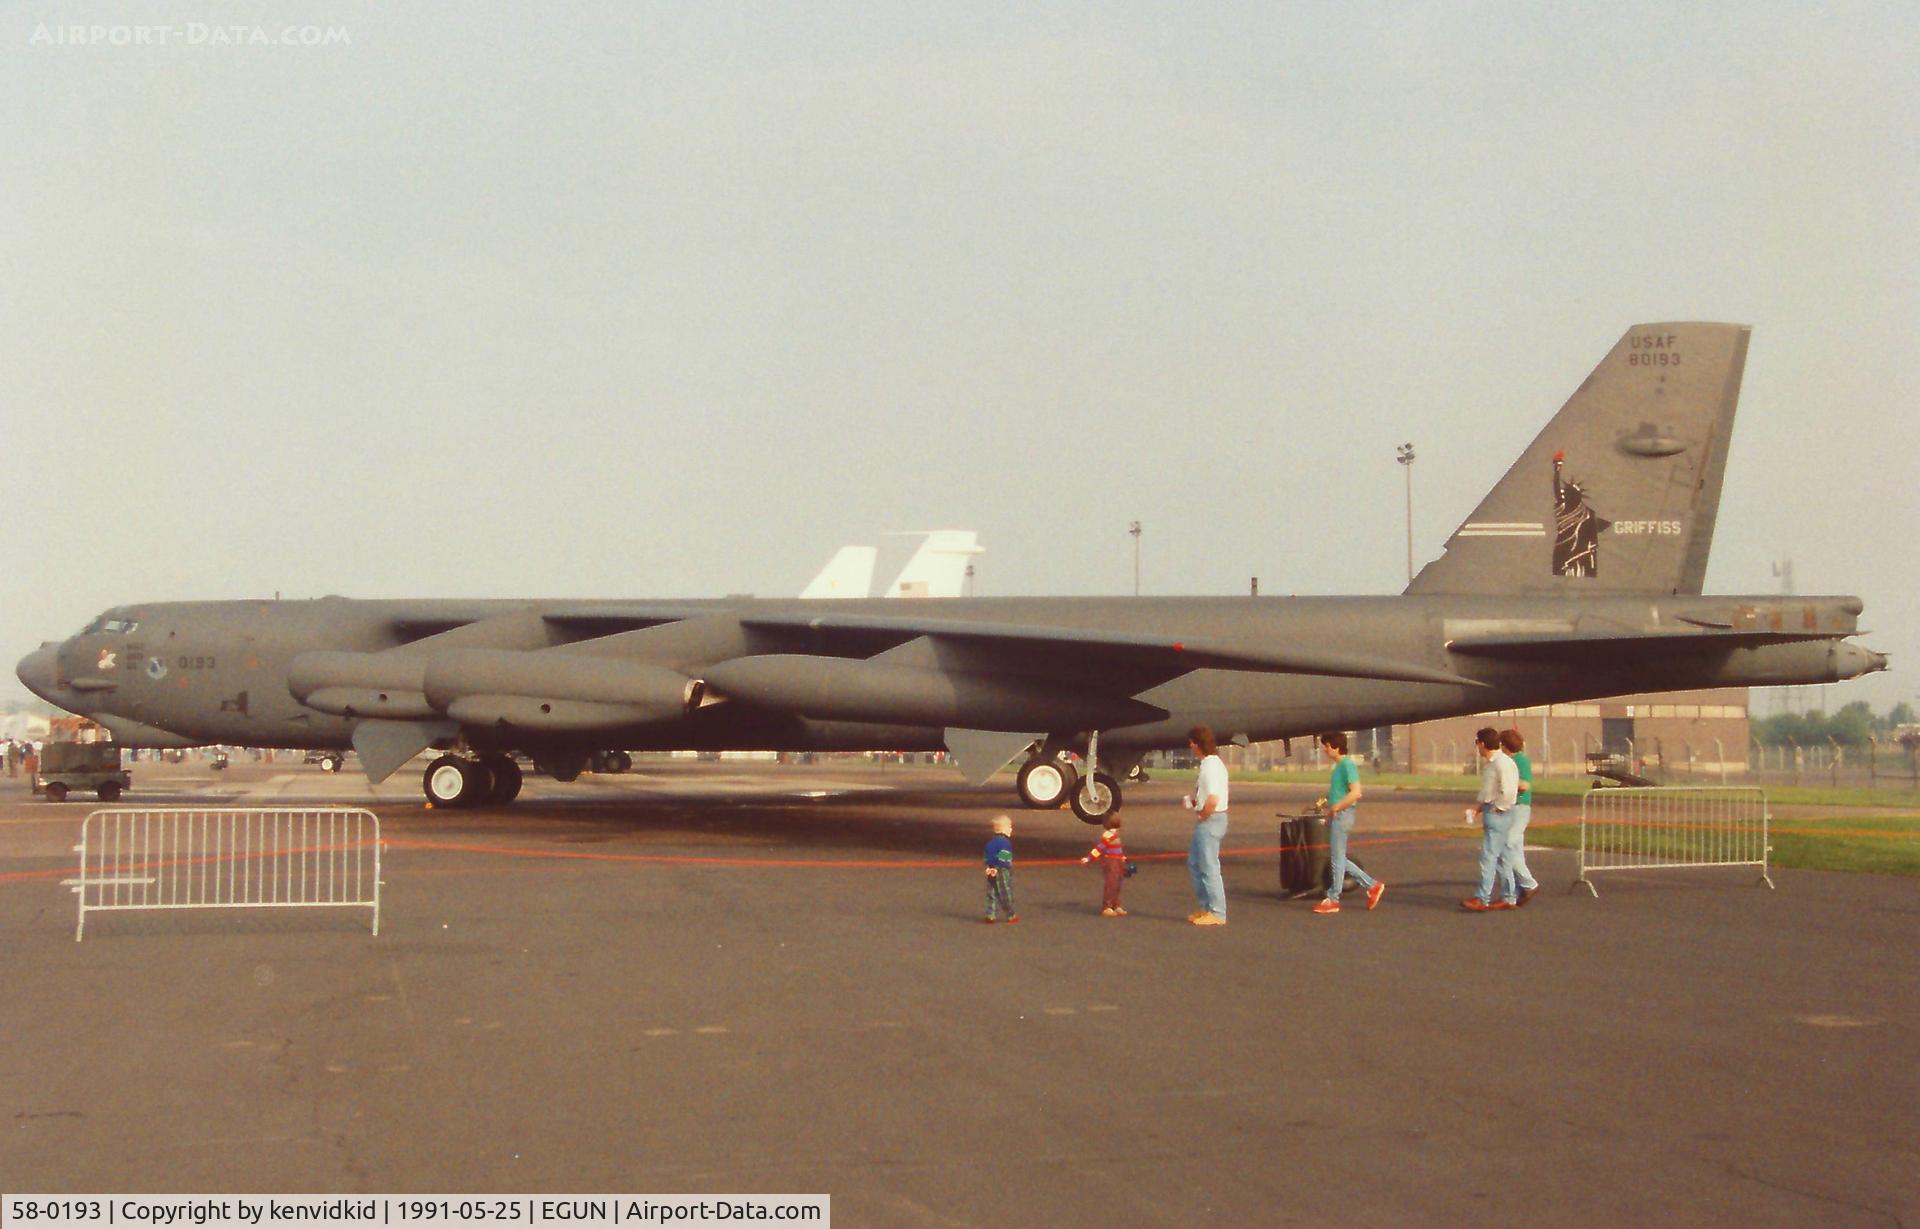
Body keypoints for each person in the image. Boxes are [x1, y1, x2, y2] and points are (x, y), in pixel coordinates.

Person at [1313, 732, 1385, 915]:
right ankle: (1373, 885)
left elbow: (1356, 793)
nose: (1325, 749)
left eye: (1327, 745)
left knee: (1337, 859)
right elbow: (1339, 791)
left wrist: (1336, 807)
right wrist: (1326, 803)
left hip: (1343, 815)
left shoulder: (1347, 765)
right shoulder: (1339, 767)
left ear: (1336, 747)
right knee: (1339, 858)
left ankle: (1333, 898)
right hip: (1337, 814)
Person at [1462, 727, 1519, 911]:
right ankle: (1509, 897)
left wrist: (1498, 809)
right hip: (1491, 810)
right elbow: (1489, 792)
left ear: (1483, 743)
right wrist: (1478, 810)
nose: (1477, 747)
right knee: (1503, 857)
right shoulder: (1492, 764)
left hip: (1498, 814)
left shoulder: (1502, 763)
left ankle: (1482, 898)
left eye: (1477, 743)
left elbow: (1509, 791)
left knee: (1488, 857)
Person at [1184, 725, 1229, 926]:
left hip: (1211, 820)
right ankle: (1205, 907)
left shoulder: (1210, 767)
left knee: (1209, 866)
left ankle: (1218, 912)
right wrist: (1196, 804)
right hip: (1211, 817)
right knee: (1195, 863)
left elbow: (1213, 798)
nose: (1190, 746)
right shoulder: (1211, 764)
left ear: (1197, 744)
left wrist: (1202, 814)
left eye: (1192, 742)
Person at [1500, 728, 1540, 906]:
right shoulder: (1509, 761)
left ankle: (1529, 883)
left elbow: (1524, 785)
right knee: (1515, 849)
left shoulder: (1519, 761)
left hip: (1519, 808)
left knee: (1507, 845)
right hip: (1511, 807)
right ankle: (1515, 891)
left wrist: (1503, 786)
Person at [1080, 818, 1128, 917]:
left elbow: (1118, 849)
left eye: (1116, 828)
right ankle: (1107, 906)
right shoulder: (1107, 837)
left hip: (1118, 860)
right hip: (1110, 861)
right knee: (1111, 883)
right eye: (1112, 828)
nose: (1114, 830)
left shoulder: (1115, 836)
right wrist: (1089, 858)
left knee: (1118, 883)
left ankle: (1115, 904)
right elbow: (1099, 848)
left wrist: (1122, 857)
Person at [983, 814, 1018, 924]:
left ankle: (990, 913)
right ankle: (1010, 914)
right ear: (1004, 830)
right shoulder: (1005, 843)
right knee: (1005, 892)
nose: (1011, 829)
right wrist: (1006, 866)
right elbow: (1005, 858)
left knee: (991, 892)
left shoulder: (990, 843)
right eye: (1009, 827)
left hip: (990, 869)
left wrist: (989, 867)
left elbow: (986, 856)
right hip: (1002, 870)